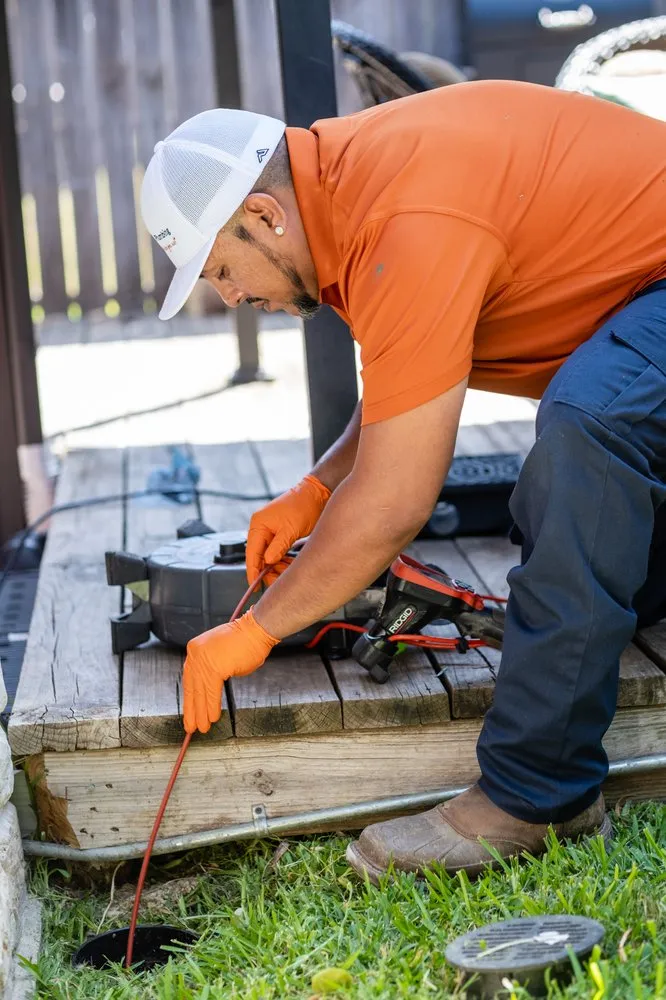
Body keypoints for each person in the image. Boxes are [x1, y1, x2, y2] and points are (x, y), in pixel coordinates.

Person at [140, 80, 666, 883]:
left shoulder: (403, 217)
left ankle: (537, 794)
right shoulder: (350, 201)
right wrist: (317, 489)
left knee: (584, 437)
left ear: (265, 215)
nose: (234, 296)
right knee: (578, 541)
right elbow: (405, 392)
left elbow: (393, 504)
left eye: (222, 269)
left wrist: (252, 632)